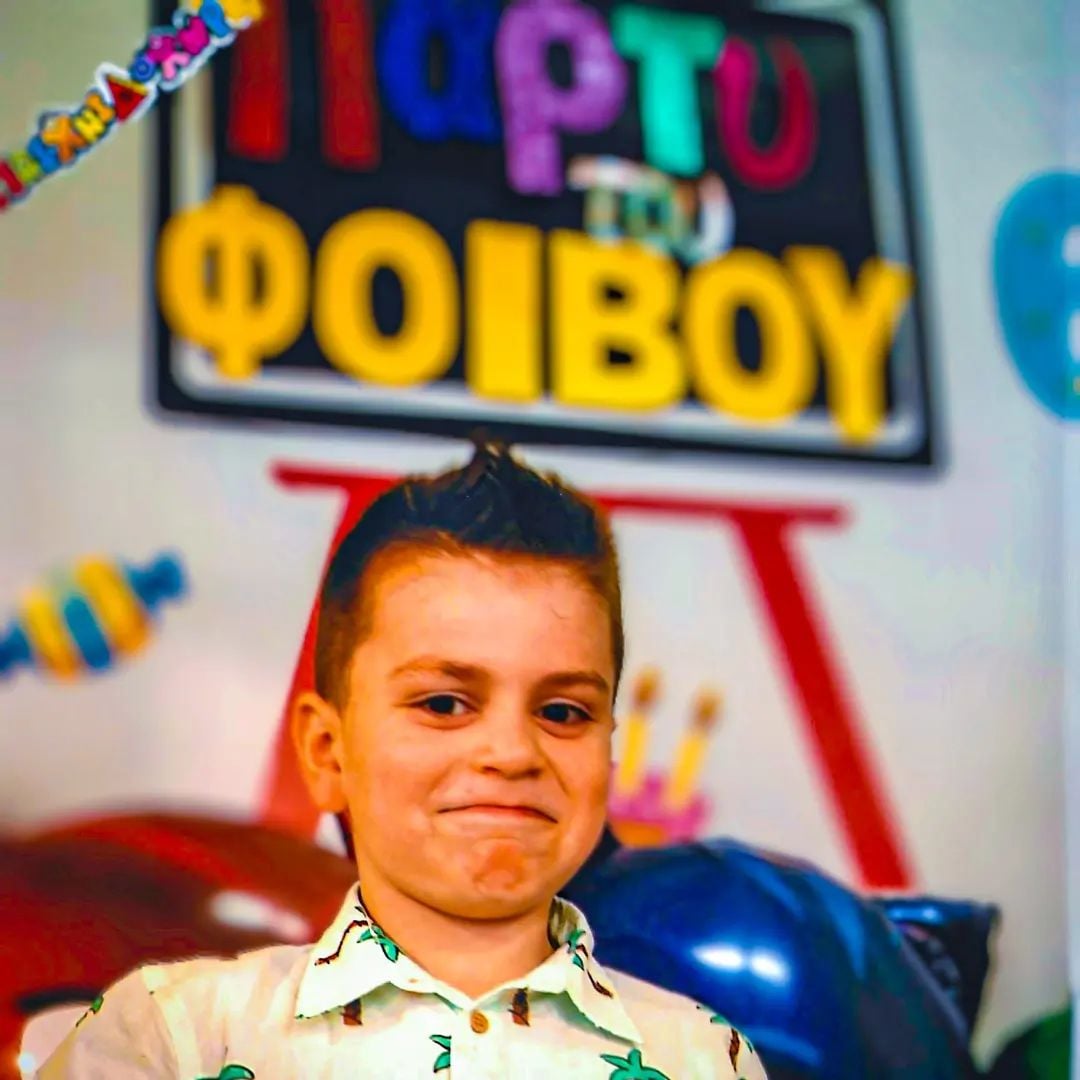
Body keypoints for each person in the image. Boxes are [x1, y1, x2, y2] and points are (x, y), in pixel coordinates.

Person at [41, 443, 767, 1079]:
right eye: (444, 703)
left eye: (562, 712)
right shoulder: (173, 1039)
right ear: (327, 752)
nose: (512, 752)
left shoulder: (702, 1058)